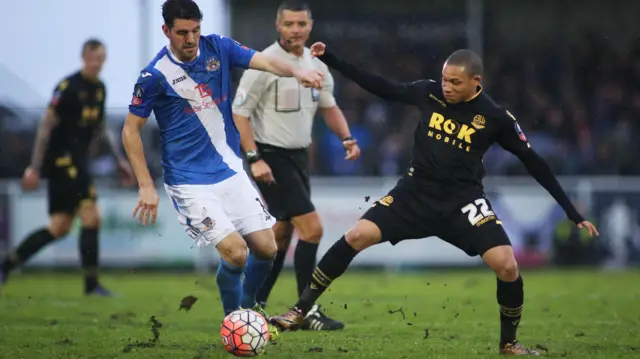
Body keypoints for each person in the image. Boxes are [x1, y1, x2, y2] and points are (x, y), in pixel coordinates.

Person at [269, 42, 599, 355]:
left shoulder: (496, 117)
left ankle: (509, 344)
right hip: (415, 192)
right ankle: (300, 310)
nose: (447, 87)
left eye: (455, 82)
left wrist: (571, 211)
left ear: (475, 82)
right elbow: (382, 86)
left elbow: (535, 162)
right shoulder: (428, 92)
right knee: (357, 235)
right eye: (444, 79)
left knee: (507, 265)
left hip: (463, 201)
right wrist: (333, 59)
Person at [121, 0, 324, 340]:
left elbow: (266, 61)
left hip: (229, 169)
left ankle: (248, 314)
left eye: (195, 31)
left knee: (268, 249)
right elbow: (130, 131)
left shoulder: (219, 47)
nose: (190, 39)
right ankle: (236, 325)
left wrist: (299, 71)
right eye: (182, 32)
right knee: (234, 251)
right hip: (189, 181)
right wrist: (145, 184)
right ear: (166, 31)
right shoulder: (154, 76)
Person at [232, 1, 358, 331]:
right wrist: (254, 158)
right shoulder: (264, 63)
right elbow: (240, 113)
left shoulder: (316, 64)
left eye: (301, 23)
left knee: (280, 236)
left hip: (299, 158)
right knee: (313, 229)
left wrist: (346, 137)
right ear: (278, 26)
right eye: (289, 24)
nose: (295, 30)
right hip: (271, 157)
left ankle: (252, 305)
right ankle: (306, 311)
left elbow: (329, 106)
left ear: (310, 26)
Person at [0, 39, 134, 296]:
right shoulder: (68, 87)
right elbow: (46, 125)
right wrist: (34, 167)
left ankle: (5, 265)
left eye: (101, 59)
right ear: (84, 57)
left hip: (78, 162)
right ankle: (91, 285)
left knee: (59, 227)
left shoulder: (100, 89)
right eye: (93, 58)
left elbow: (102, 126)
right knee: (91, 215)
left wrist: (119, 159)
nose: (97, 63)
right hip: (62, 162)